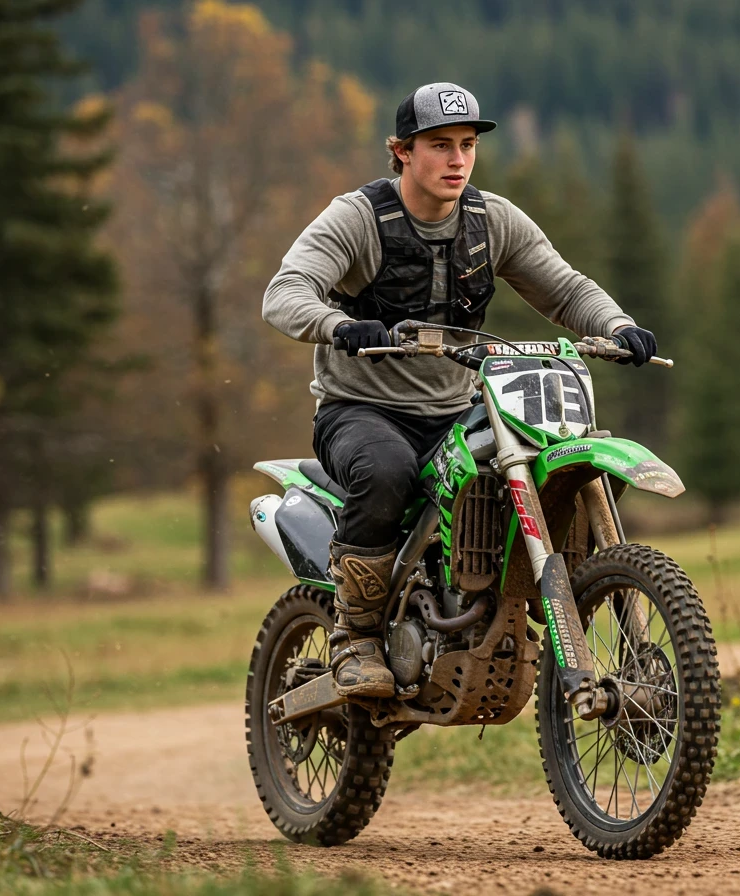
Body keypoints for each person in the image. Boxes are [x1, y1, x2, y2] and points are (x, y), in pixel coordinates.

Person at [263, 82, 657, 699]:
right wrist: (340, 325)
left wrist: (617, 325)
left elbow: (565, 288)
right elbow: (284, 293)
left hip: (455, 407)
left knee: (546, 455)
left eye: (467, 145)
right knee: (386, 470)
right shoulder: (358, 218)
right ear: (401, 151)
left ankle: (560, 602)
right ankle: (356, 635)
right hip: (362, 411)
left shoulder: (491, 220)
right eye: (439, 144)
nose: (456, 160)